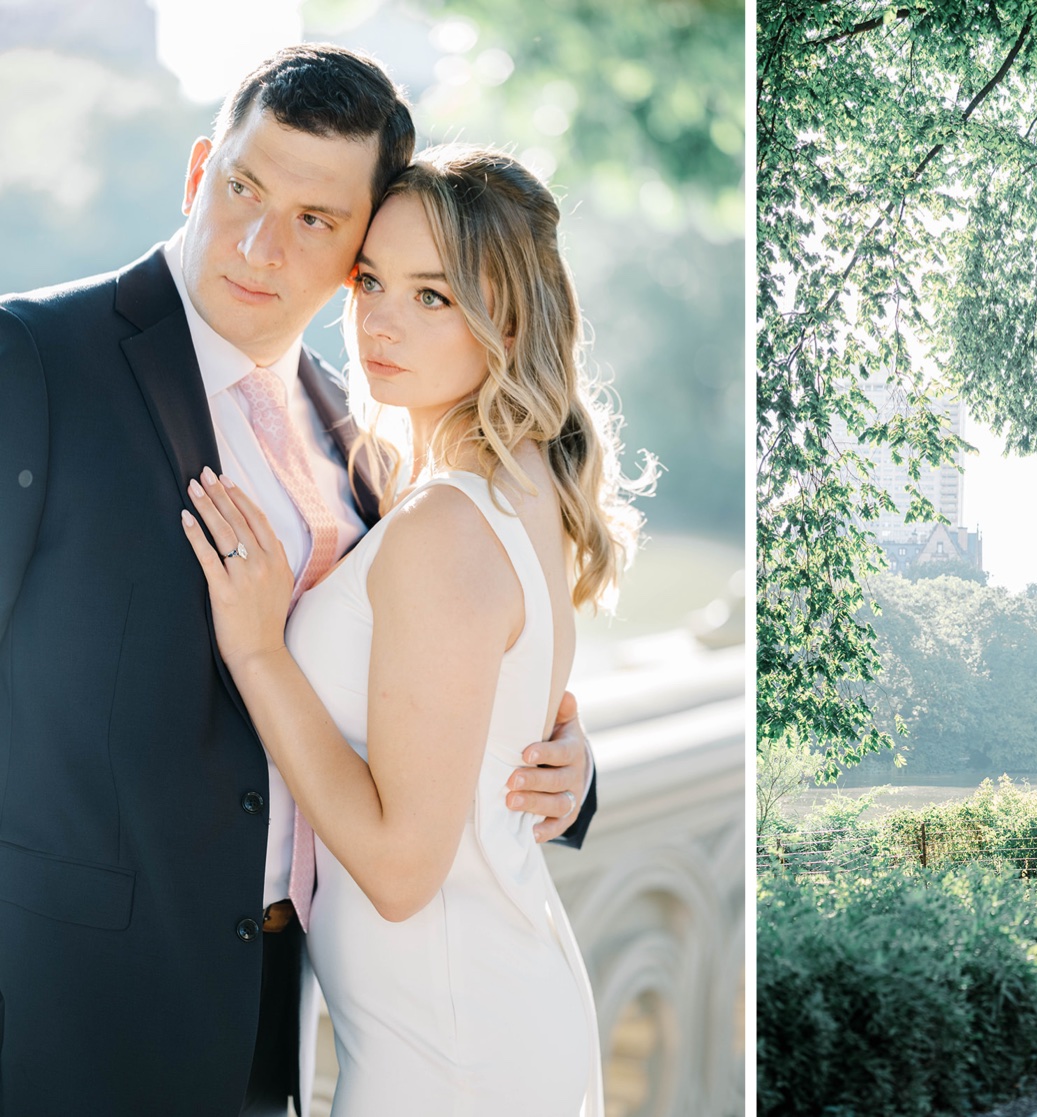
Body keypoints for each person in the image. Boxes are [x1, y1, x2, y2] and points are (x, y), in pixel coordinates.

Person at [0, 45, 595, 1116]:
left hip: (281, 1017)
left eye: (318, 222)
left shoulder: (363, 439)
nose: (261, 244)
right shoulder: (35, 360)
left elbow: (427, 677)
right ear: (199, 171)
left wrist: (565, 769)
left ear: (356, 240)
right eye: (242, 188)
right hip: (75, 1015)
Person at [179, 141, 647, 1116]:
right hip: (481, 1013)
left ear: (508, 320)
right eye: (372, 281)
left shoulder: (443, 524)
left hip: (452, 1051)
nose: (382, 321)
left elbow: (398, 869)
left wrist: (261, 649)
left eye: (432, 296)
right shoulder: (518, 484)